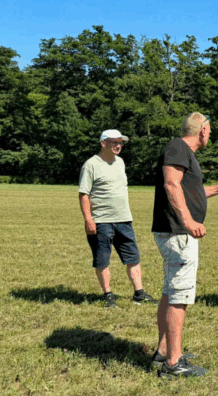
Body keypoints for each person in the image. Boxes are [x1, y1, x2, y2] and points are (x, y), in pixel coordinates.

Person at [151, 112, 218, 377]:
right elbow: (171, 184)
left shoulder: (182, 152)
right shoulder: (178, 148)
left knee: (171, 292)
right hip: (178, 233)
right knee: (179, 296)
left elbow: (191, 191)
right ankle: (173, 364)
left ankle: (164, 352)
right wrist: (189, 221)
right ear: (202, 130)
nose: (210, 135)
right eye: (209, 130)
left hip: (177, 232)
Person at [78, 129, 156, 308]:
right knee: (103, 259)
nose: (118, 145)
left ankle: (139, 293)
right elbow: (84, 194)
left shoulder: (120, 162)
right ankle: (108, 295)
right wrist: (89, 219)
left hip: (124, 219)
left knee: (133, 258)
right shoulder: (91, 165)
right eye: (114, 142)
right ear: (103, 143)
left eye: (120, 142)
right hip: (101, 221)